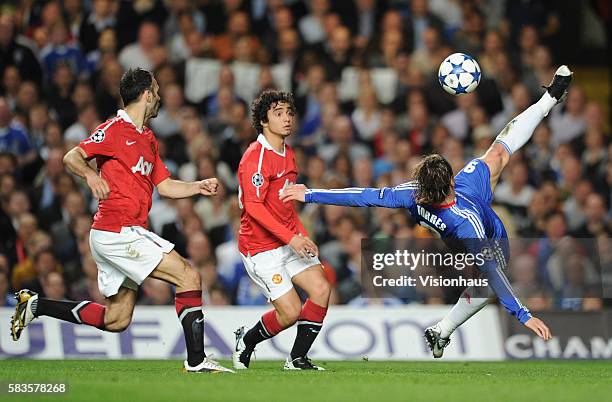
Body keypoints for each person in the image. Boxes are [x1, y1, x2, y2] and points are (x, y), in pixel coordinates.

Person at [281, 65, 574, 358]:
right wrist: (524, 315)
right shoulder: (467, 224)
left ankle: (550, 98)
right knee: (486, 284)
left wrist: (311, 193)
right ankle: (444, 329)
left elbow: (365, 196)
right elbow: (493, 272)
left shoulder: (412, 195)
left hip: (459, 204)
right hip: (487, 233)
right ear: (450, 180)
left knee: (497, 153)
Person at [10, 67, 233, 373]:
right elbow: (72, 156)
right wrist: (90, 175)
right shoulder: (115, 129)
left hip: (117, 234)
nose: (158, 97)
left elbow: (165, 186)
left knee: (116, 319)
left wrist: (198, 186)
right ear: (145, 95)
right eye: (155, 91)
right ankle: (196, 360)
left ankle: (35, 305)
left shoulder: (148, 138)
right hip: (118, 230)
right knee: (189, 276)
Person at [233, 90, 331, 370]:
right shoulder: (256, 156)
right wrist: (291, 237)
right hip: (260, 247)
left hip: (288, 239)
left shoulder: (288, 153)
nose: (287, 118)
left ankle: (297, 359)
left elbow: (286, 202)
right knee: (290, 312)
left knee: (321, 289)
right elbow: (254, 207)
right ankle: (247, 342)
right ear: (264, 120)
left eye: (289, 112)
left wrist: (300, 232)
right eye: (278, 113)